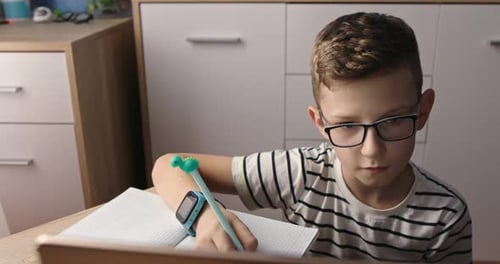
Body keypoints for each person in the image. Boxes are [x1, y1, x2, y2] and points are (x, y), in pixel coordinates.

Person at [152, 12, 472, 263]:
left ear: (423, 110)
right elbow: (169, 167)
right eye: (347, 125)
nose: (372, 150)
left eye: (393, 121)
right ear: (319, 122)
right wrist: (205, 216)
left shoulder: (446, 215)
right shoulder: (299, 173)